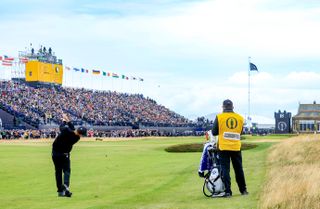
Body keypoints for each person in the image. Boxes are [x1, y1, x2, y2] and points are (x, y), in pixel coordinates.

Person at [211, 99, 248, 197]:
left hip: (223, 147)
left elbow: (214, 132)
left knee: (225, 169)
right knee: (239, 169)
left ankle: (228, 191)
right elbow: (240, 132)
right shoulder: (240, 118)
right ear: (233, 107)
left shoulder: (219, 117)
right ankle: (243, 190)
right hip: (236, 147)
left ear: (223, 107)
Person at [52, 114, 87, 197]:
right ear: (80, 134)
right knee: (67, 171)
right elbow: (73, 129)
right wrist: (67, 120)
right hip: (65, 155)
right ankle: (66, 186)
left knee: (58, 172)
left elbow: (62, 127)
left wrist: (64, 121)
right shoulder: (76, 138)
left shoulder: (66, 131)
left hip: (55, 154)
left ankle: (60, 191)